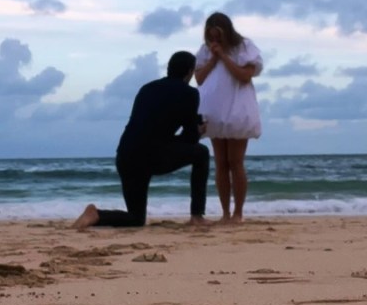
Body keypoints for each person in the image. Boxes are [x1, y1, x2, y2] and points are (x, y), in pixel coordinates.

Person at [72, 51, 210, 229]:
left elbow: (150, 126)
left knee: (136, 219)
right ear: (190, 72)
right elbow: (190, 139)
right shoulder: (189, 93)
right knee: (202, 153)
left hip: (126, 155)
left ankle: (96, 214)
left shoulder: (147, 88)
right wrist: (199, 130)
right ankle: (197, 216)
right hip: (152, 156)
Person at [195, 12, 263, 223]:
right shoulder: (206, 50)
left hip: (237, 109)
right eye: (211, 37)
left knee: (236, 161)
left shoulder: (244, 46)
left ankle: (238, 213)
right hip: (214, 109)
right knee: (221, 163)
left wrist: (224, 56)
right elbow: (199, 78)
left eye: (218, 37)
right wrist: (214, 57)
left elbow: (245, 76)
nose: (215, 41)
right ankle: (225, 213)